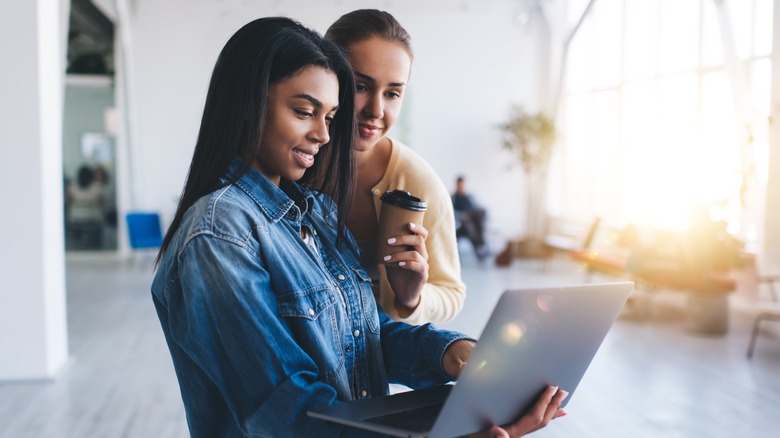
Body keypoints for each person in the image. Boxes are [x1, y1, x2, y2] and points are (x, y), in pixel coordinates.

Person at [151, 16, 566, 437]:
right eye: (303, 112)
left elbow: (362, 334)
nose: (323, 135)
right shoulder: (219, 233)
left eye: (330, 117)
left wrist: (451, 352)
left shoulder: (316, 212)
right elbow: (281, 407)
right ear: (247, 103)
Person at [324, 9, 466, 325]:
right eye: (360, 86)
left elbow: (451, 293)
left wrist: (412, 297)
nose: (377, 110)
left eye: (392, 93)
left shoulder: (420, 183)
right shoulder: (292, 163)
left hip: (382, 357)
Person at [452, 175, 489, 260]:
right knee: (469, 226)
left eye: (463, 185)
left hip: (474, 220)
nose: (461, 187)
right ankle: (480, 245)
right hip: (462, 223)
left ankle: (480, 244)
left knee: (479, 217)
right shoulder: (454, 198)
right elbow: (451, 212)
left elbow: (476, 207)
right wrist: (462, 215)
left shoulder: (470, 197)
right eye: (459, 185)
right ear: (456, 185)